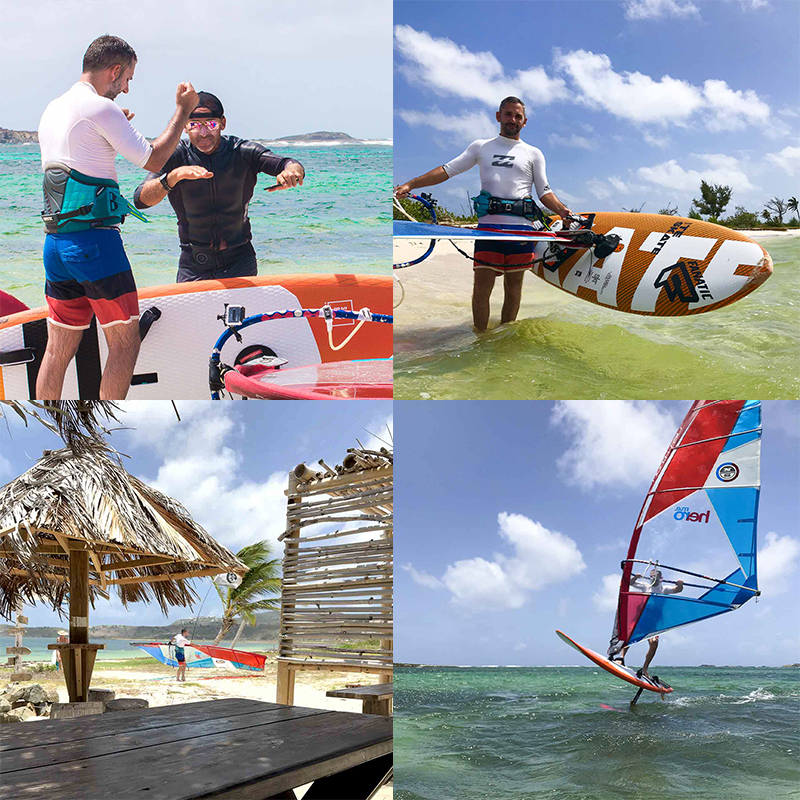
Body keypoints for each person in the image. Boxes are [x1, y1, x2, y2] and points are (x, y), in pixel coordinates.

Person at [36, 35, 199, 400]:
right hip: (95, 245)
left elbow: (79, 153)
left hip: (56, 246)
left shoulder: (53, 108)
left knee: (57, 350)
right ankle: (108, 425)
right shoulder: (99, 108)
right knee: (125, 344)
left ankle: (50, 419)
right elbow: (155, 160)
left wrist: (113, 124)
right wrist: (184, 110)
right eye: (127, 79)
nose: (126, 89)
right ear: (114, 70)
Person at [395, 96, 574, 332]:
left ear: (525, 121)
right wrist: (411, 184)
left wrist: (563, 211)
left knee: (513, 289)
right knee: (481, 290)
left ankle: (503, 341)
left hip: (521, 232)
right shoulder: (481, 147)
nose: (513, 120)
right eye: (508, 114)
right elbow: (447, 170)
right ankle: (480, 339)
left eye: (518, 116)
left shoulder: (533, 153)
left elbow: (544, 191)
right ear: (499, 116)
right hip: (489, 230)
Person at [133, 92, 305, 282]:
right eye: (195, 125)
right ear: (184, 127)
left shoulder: (241, 151)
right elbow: (141, 200)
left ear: (223, 123)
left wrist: (292, 172)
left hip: (239, 260)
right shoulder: (175, 156)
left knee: (242, 313)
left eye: (211, 124)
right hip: (193, 264)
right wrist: (173, 177)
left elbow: (288, 163)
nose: (204, 133)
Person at [617, 567, 684, 679]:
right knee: (629, 637)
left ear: (661, 578)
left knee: (654, 643)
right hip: (641, 618)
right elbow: (631, 583)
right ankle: (621, 658)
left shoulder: (664, 589)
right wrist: (635, 577)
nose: (653, 577)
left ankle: (645, 669)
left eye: (655, 576)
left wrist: (680, 584)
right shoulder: (645, 586)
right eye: (651, 576)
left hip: (654, 622)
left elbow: (678, 589)